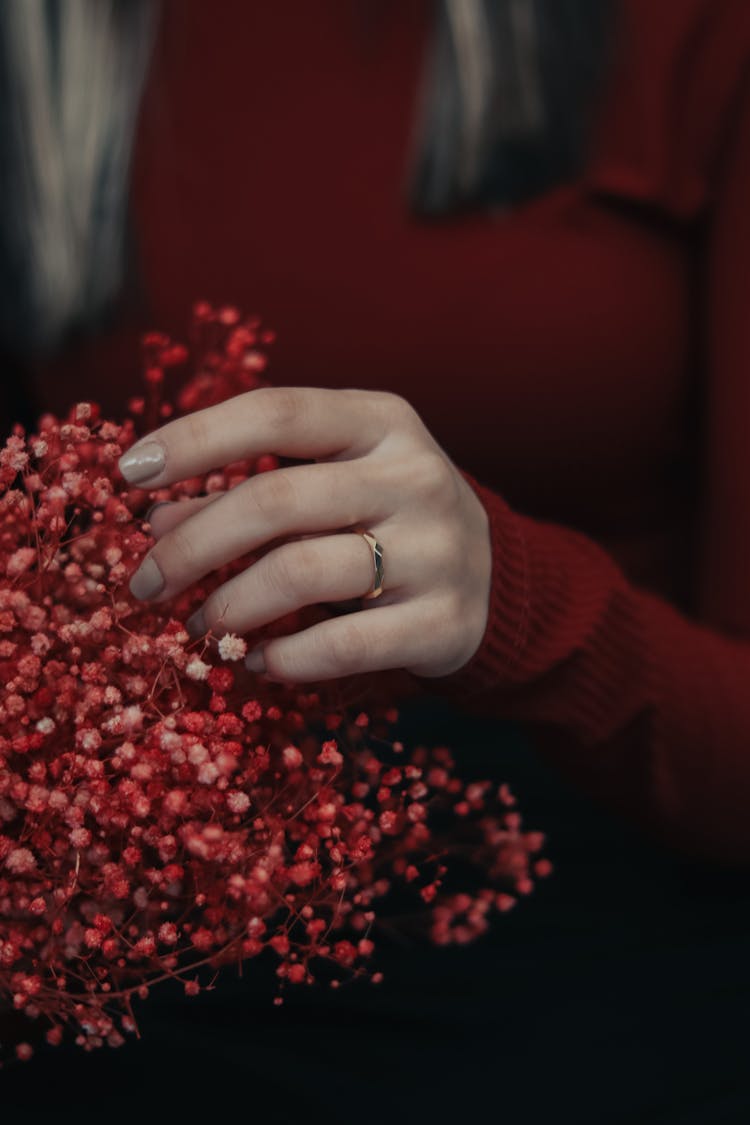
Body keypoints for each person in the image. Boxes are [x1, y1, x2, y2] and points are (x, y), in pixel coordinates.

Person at [4, 1, 750, 1121]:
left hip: (588, 983)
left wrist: (516, 605)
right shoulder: (39, 48)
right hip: (113, 984)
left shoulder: (691, 34)